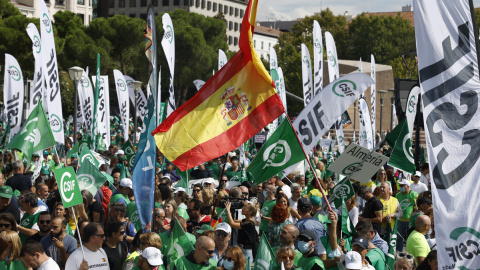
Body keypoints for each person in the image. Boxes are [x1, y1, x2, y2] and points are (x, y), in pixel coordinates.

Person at [395, 178, 418, 252]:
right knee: (399, 238)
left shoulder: (413, 194)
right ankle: (399, 253)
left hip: (409, 221)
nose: (400, 187)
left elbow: (416, 207)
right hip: (399, 220)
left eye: (402, 185)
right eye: (400, 185)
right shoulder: (398, 195)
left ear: (408, 186)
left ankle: (410, 253)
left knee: (410, 238)